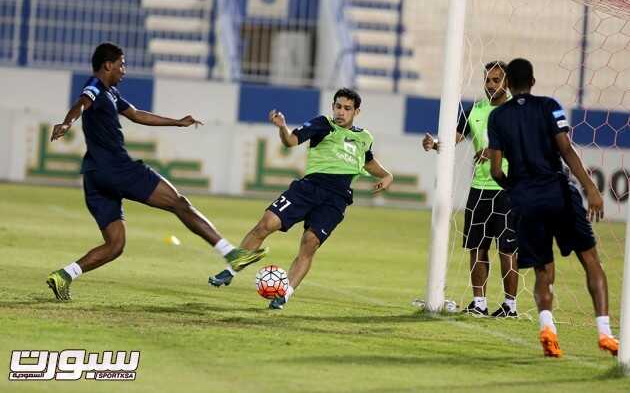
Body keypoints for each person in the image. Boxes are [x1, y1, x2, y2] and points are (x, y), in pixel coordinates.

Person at [46, 42, 266, 301]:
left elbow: (138, 115)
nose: (124, 70)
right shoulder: (94, 87)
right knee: (179, 203)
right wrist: (67, 122)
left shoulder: (111, 93)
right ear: (108, 65)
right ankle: (232, 253)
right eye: (121, 64)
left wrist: (177, 122)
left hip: (95, 176)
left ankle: (64, 276)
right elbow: (81, 104)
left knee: (115, 244)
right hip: (117, 168)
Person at [209, 88, 394, 310]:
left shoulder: (365, 138)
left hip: (336, 199)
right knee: (266, 224)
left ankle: (284, 295)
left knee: (310, 243)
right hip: (308, 188)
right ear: (332, 107)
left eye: (347, 108)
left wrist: (386, 175)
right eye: (338, 106)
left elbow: (368, 161)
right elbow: (290, 141)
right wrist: (282, 127)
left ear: (357, 111)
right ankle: (230, 271)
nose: (341, 112)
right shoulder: (322, 124)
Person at [488, 57, 618, 357]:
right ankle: (605, 333)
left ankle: (548, 329)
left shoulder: (498, 117)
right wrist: (590, 188)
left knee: (542, 269)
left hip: (524, 199)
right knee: (590, 259)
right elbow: (566, 148)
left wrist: (516, 189)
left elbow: (496, 171)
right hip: (557, 192)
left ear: (506, 83)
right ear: (532, 82)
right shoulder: (549, 106)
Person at [423, 61, 518, 317]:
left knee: (507, 248)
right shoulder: (475, 109)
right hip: (479, 188)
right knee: (477, 246)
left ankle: (510, 306)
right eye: (487, 79)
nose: (490, 85)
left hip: (507, 188)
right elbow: (453, 139)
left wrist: (494, 151)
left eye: (496, 80)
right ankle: (480, 303)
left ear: (507, 83)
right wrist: (435, 144)